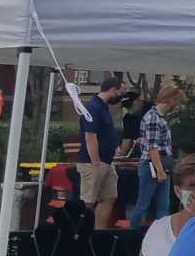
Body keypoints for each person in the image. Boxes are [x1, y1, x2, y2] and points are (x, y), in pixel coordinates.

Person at [78, 75, 125, 230]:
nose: (121, 96)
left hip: (107, 161)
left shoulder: (103, 107)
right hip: (94, 162)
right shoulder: (93, 107)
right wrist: (95, 163)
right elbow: (90, 136)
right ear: (113, 89)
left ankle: (99, 232)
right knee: (88, 201)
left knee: (109, 197)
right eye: (120, 92)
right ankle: (80, 234)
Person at [136, 85, 182, 229]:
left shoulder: (159, 118)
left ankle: (160, 233)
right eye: (177, 101)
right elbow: (152, 148)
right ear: (171, 100)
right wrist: (160, 170)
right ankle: (133, 232)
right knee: (144, 204)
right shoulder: (153, 118)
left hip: (161, 164)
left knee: (163, 204)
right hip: (153, 165)